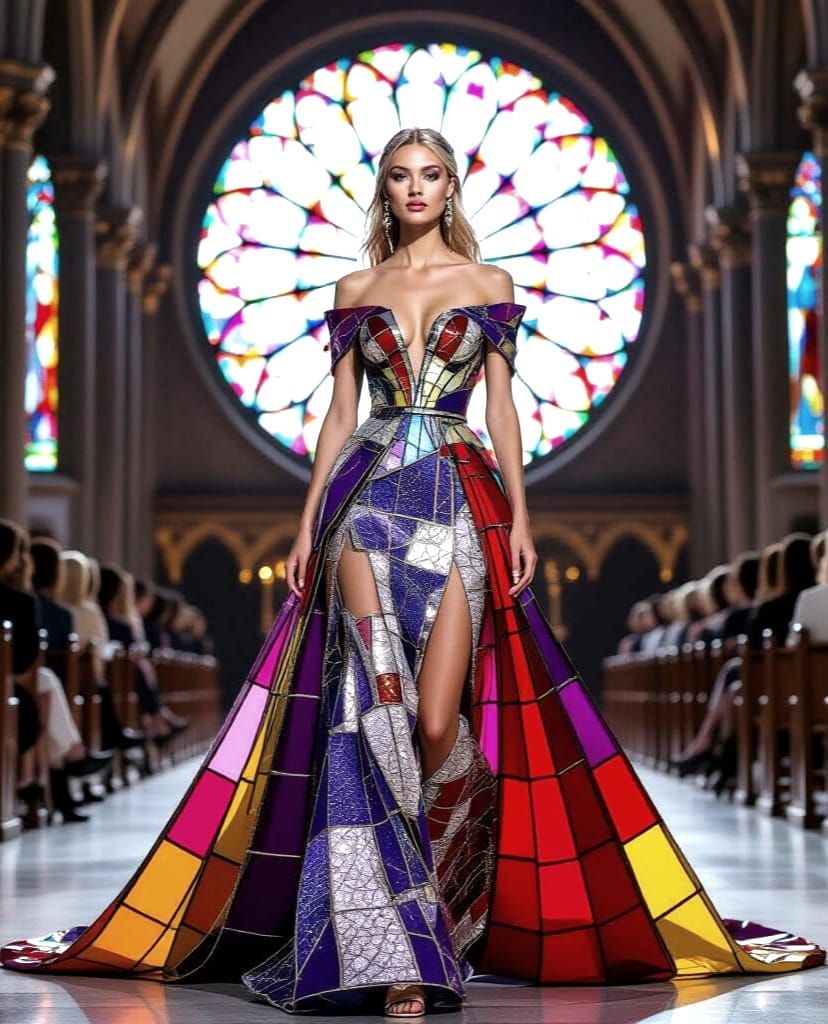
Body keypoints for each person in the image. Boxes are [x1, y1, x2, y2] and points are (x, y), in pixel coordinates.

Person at [1, 127, 823, 1015]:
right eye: (400, 177)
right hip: (368, 504)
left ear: (451, 186)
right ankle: (395, 945)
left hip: (462, 502)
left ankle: (457, 884)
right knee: (375, 714)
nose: (416, 189)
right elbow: (340, 411)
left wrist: (523, 514)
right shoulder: (356, 291)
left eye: (430, 176)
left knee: (438, 723)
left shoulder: (491, 286)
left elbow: (504, 409)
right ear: (385, 191)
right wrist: (310, 515)